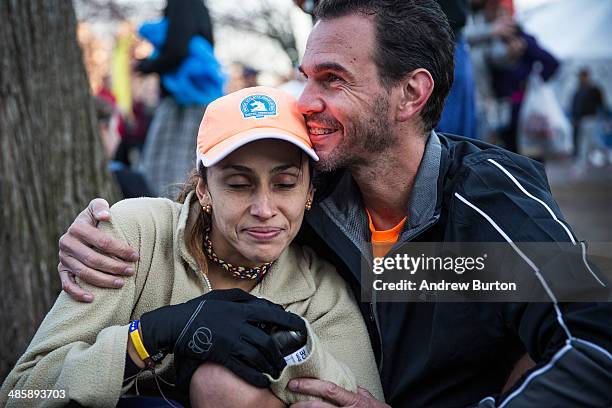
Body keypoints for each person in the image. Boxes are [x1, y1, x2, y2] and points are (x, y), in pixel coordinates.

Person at [56, 1, 611, 407]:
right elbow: (207, 214)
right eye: (306, 78)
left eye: (333, 80)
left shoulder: (485, 198)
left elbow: (595, 350)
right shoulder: (313, 199)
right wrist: (102, 231)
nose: (307, 101)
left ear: (411, 94)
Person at [1, 87, 383, 407]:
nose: (264, 209)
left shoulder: (321, 289)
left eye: (284, 184)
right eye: (237, 184)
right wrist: (147, 337)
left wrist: (292, 346)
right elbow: (22, 393)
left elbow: (361, 399)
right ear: (205, 190)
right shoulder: (136, 235)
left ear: (309, 194)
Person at [135, 0, 224, 198]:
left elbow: (177, 49)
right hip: (197, 98)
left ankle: (169, 217)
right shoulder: (199, 7)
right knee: (188, 164)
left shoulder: (182, 3)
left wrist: (146, 66)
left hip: (183, 103)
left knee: (167, 167)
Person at [571, 68, 607, 158]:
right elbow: (575, 106)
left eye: (582, 76)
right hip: (581, 120)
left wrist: (605, 119)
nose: (580, 78)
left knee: (585, 142)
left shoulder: (594, 89)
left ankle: (581, 164)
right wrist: (575, 118)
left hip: (591, 118)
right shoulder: (579, 90)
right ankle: (604, 155)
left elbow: (602, 104)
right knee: (589, 142)